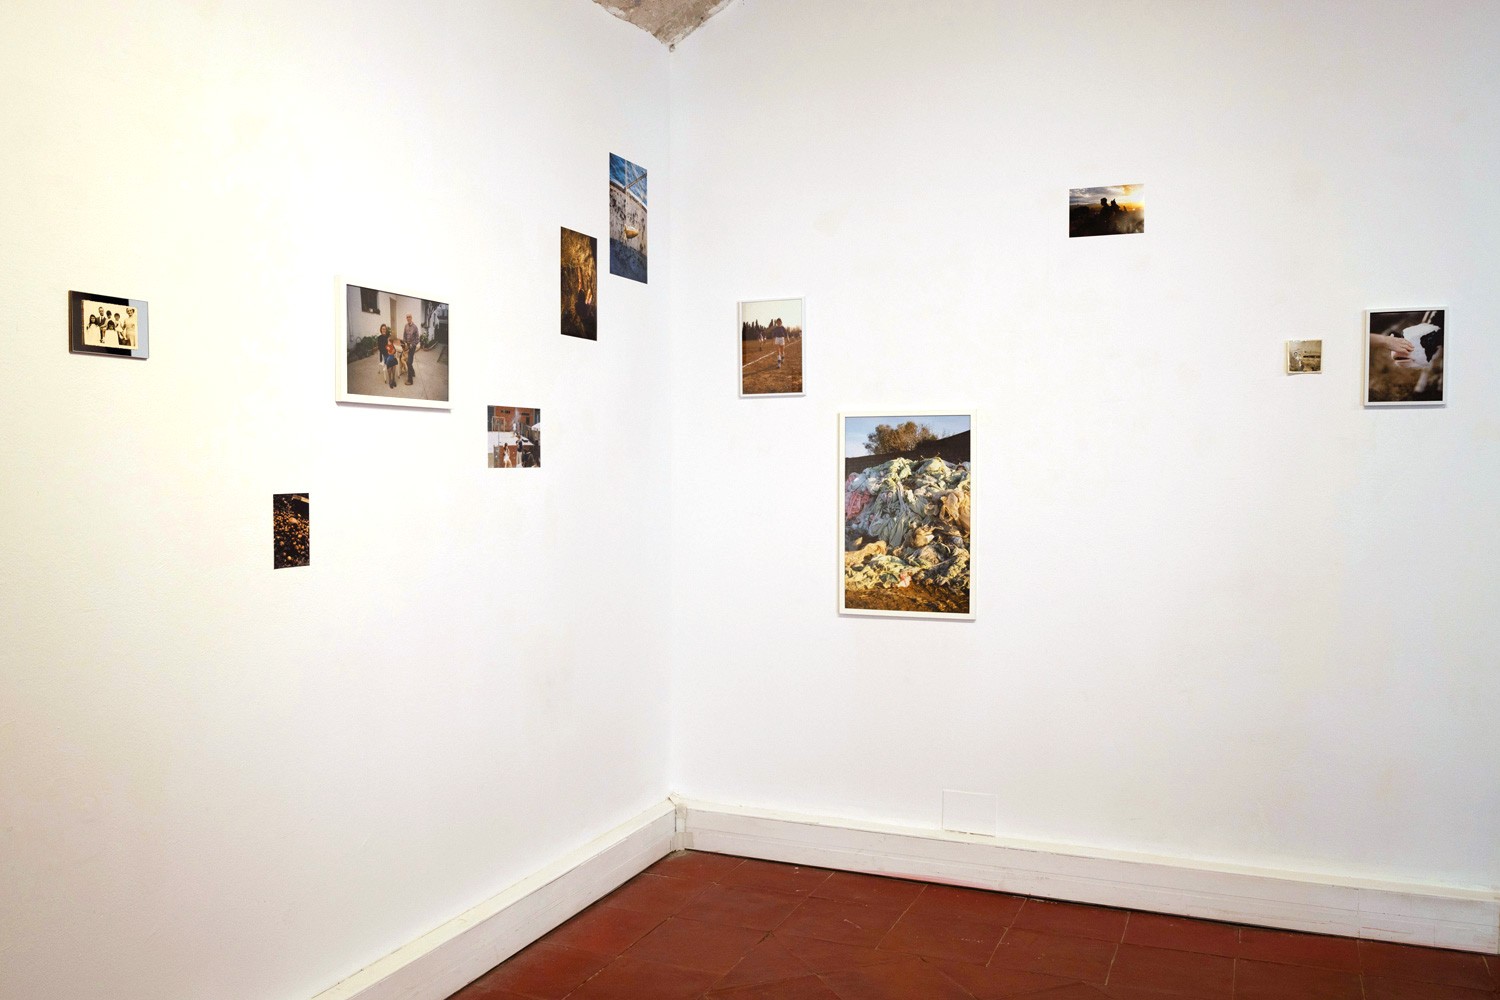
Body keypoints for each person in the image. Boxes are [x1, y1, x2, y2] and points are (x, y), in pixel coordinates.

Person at [402, 314, 419, 385]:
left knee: (409, 362)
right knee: (408, 361)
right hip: (407, 346)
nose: (408, 318)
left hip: (412, 346)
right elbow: (404, 336)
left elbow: (417, 339)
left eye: (409, 317)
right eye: (407, 317)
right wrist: (404, 343)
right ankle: (413, 372)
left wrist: (412, 345)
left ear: (411, 318)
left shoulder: (415, 327)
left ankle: (410, 380)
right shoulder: (405, 326)